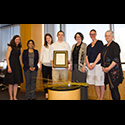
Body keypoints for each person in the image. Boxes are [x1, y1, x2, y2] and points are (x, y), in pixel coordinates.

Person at [101, 30, 124, 100]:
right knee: (111, 89)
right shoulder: (105, 47)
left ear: (112, 37)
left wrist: (108, 68)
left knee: (114, 89)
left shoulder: (115, 45)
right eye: (106, 36)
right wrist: (103, 67)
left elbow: (116, 59)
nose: (107, 37)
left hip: (114, 72)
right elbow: (102, 57)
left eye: (109, 35)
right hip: (107, 71)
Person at [86, 29, 105, 100]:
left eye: (94, 34)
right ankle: (98, 97)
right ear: (90, 36)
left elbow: (100, 54)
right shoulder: (88, 46)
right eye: (91, 34)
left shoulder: (99, 43)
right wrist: (88, 64)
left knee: (100, 82)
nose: (92, 35)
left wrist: (94, 64)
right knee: (95, 82)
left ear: (96, 34)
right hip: (90, 66)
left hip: (98, 65)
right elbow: (86, 56)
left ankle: (102, 98)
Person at [4, 35, 23, 100]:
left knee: (16, 83)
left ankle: (15, 96)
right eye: (16, 39)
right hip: (11, 66)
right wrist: (9, 67)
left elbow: (19, 58)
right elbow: (7, 58)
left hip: (17, 66)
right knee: (11, 82)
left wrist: (21, 66)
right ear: (14, 40)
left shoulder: (20, 48)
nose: (18, 40)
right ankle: (11, 97)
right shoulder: (10, 47)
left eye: (19, 39)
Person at [70, 32, 88, 100]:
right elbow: (71, 57)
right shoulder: (73, 46)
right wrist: (71, 65)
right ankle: (76, 97)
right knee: (74, 83)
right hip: (74, 67)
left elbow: (86, 56)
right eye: (76, 37)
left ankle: (83, 98)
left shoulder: (84, 45)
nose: (78, 38)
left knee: (81, 83)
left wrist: (84, 66)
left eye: (79, 37)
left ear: (81, 38)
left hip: (81, 67)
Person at [40, 33, 53, 100]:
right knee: (45, 80)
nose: (48, 39)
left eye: (49, 38)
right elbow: (41, 56)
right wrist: (40, 65)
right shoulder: (43, 46)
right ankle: (46, 93)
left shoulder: (53, 46)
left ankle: (50, 92)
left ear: (51, 38)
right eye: (46, 38)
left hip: (51, 65)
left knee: (50, 80)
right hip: (44, 65)